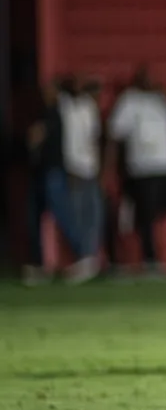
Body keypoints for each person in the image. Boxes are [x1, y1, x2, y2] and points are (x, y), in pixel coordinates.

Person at [105, 66, 166, 277]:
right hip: (142, 168)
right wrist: (109, 169)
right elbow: (115, 135)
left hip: (165, 167)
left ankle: (148, 257)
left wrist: (165, 94)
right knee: (145, 217)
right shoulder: (129, 101)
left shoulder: (160, 100)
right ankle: (150, 260)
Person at [24, 79, 98, 285]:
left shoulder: (61, 112)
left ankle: (84, 256)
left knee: (63, 213)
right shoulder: (46, 112)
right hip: (40, 171)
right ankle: (39, 264)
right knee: (34, 218)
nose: (45, 94)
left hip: (55, 171)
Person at [59, 75, 104, 268]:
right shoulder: (64, 106)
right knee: (75, 214)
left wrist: (98, 166)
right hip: (72, 167)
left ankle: (90, 256)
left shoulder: (89, 107)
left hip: (90, 168)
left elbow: (94, 137)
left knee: (93, 214)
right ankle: (82, 256)